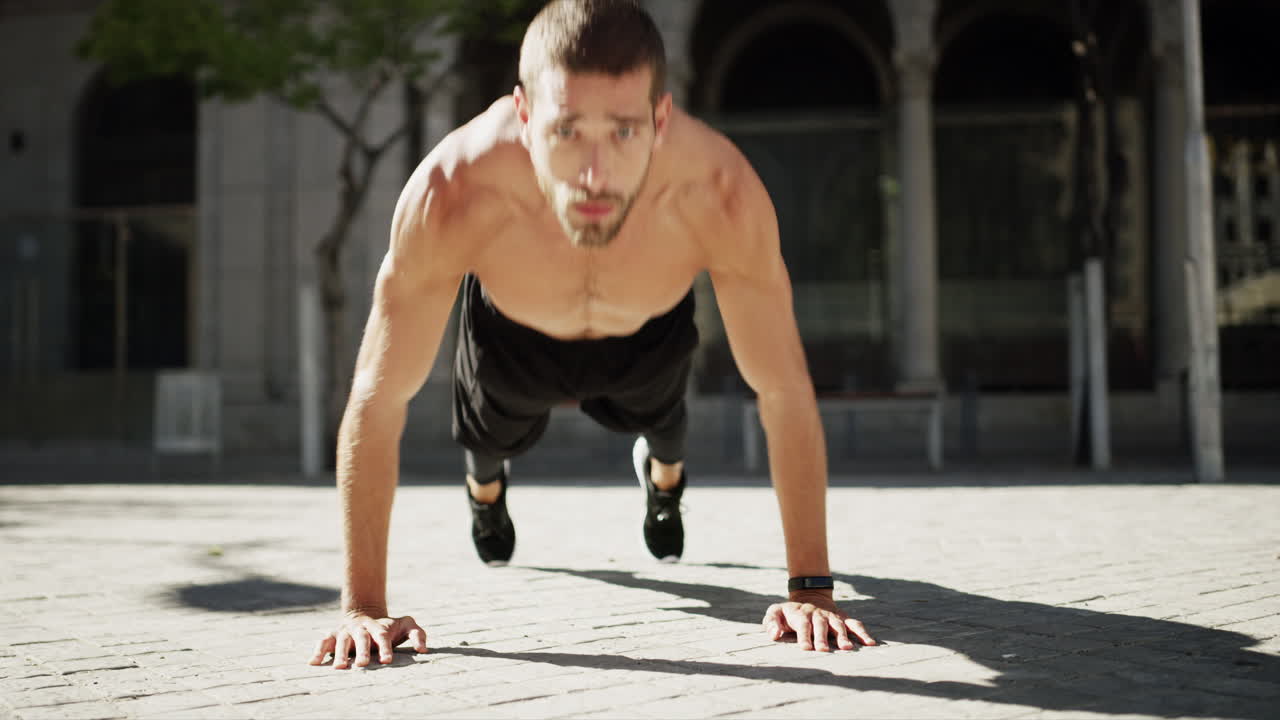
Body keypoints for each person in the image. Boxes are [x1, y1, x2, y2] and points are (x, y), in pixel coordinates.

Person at [309, 0, 876, 669]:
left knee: (667, 432)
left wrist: (811, 588)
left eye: (625, 133)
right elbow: (377, 396)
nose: (594, 173)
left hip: (647, 332)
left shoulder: (719, 190)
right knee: (488, 444)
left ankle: (663, 484)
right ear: (524, 117)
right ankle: (485, 494)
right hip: (510, 336)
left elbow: (782, 388)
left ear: (661, 120)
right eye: (568, 130)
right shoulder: (454, 190)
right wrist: (363, 607)